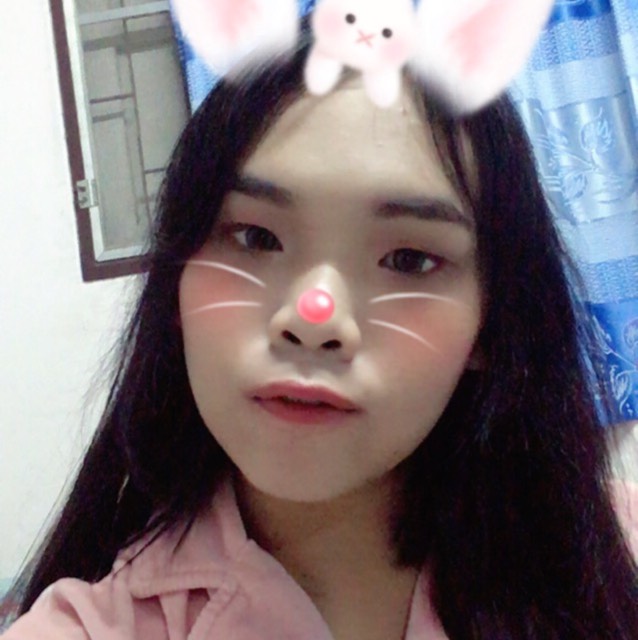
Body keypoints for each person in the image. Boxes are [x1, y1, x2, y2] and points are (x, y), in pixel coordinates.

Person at [3, 39, 638, 640]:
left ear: (489, 325)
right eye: (255, 238)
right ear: (177, 284)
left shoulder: (614, 556)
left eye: (410, 259)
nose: (314, 318)